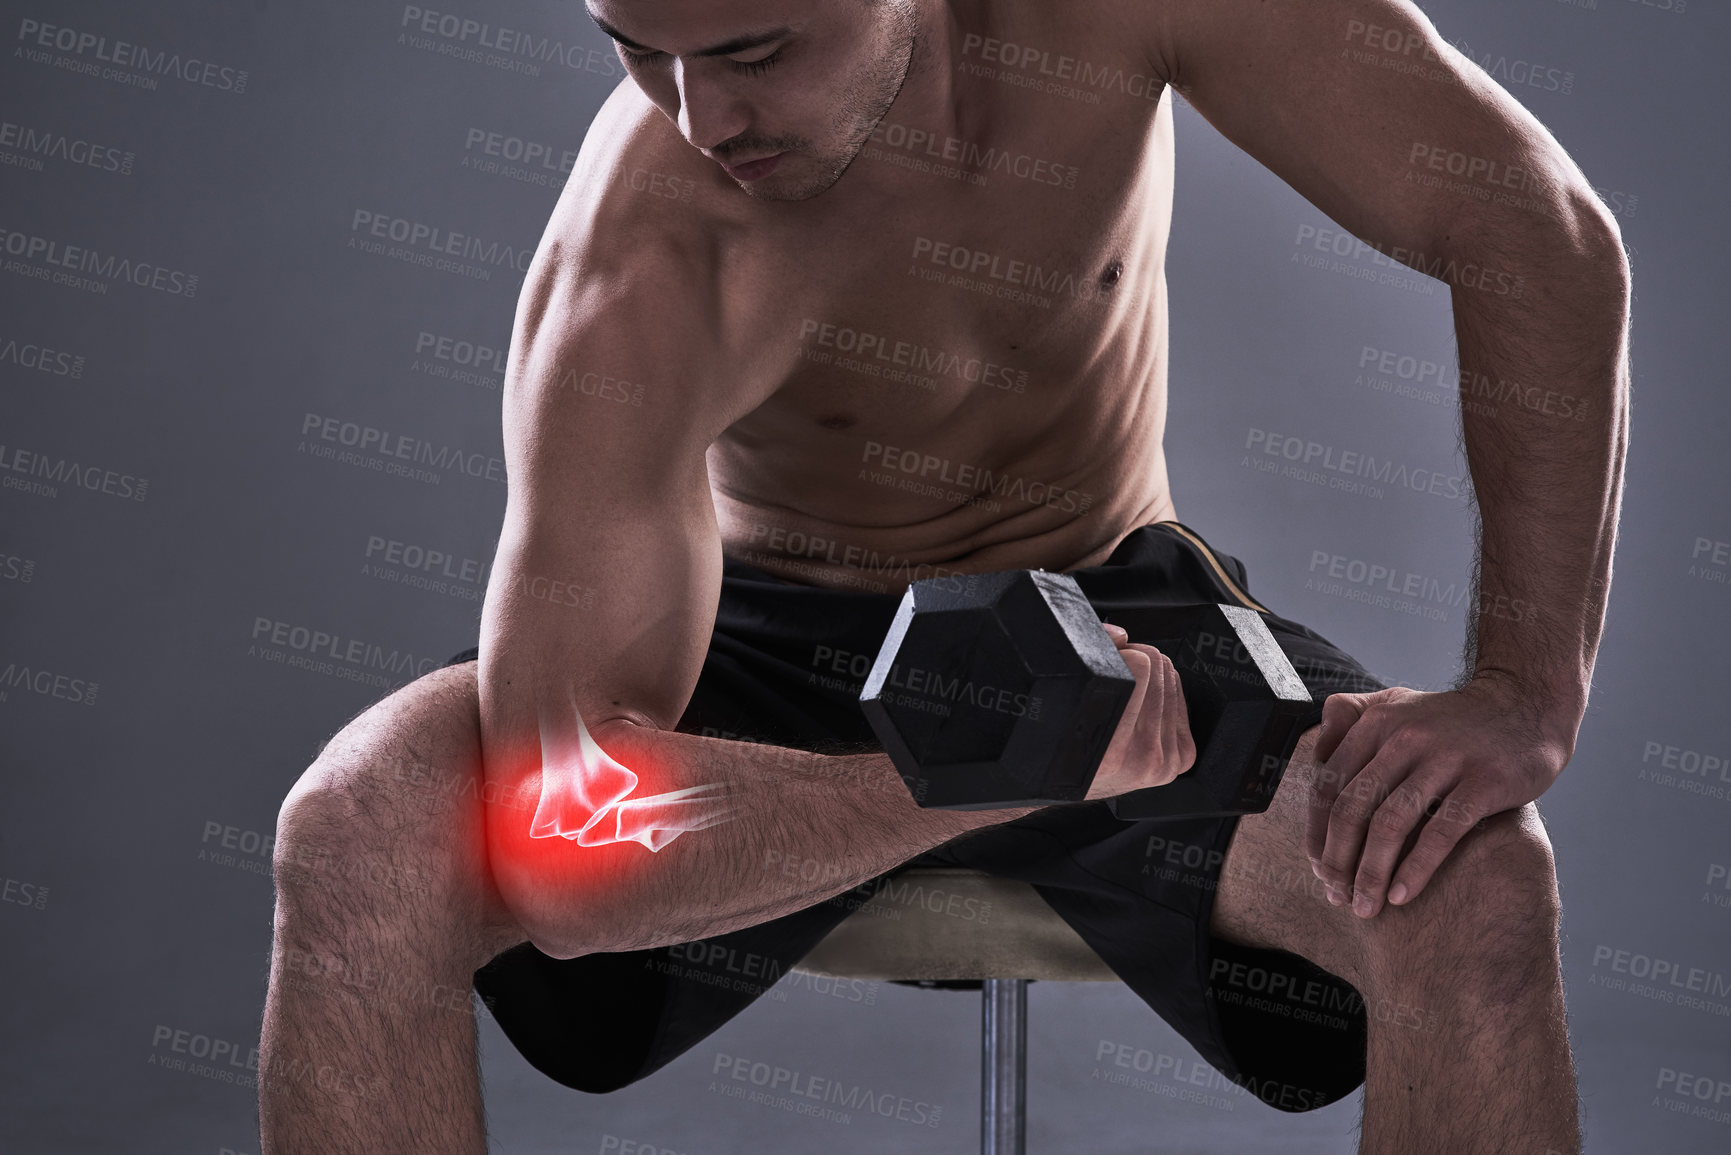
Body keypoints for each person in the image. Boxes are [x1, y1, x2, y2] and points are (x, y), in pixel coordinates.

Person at [260, 1, 1630, 1152]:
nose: (700, 119)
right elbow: (564, 841)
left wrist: (1524, 684)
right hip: (744, 644)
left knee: (1473, 887)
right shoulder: (645, 261)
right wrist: (960, 776)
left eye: (751, 49)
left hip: (1119, 630)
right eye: (633, 47)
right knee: (363, 832)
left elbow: (1537, 231)